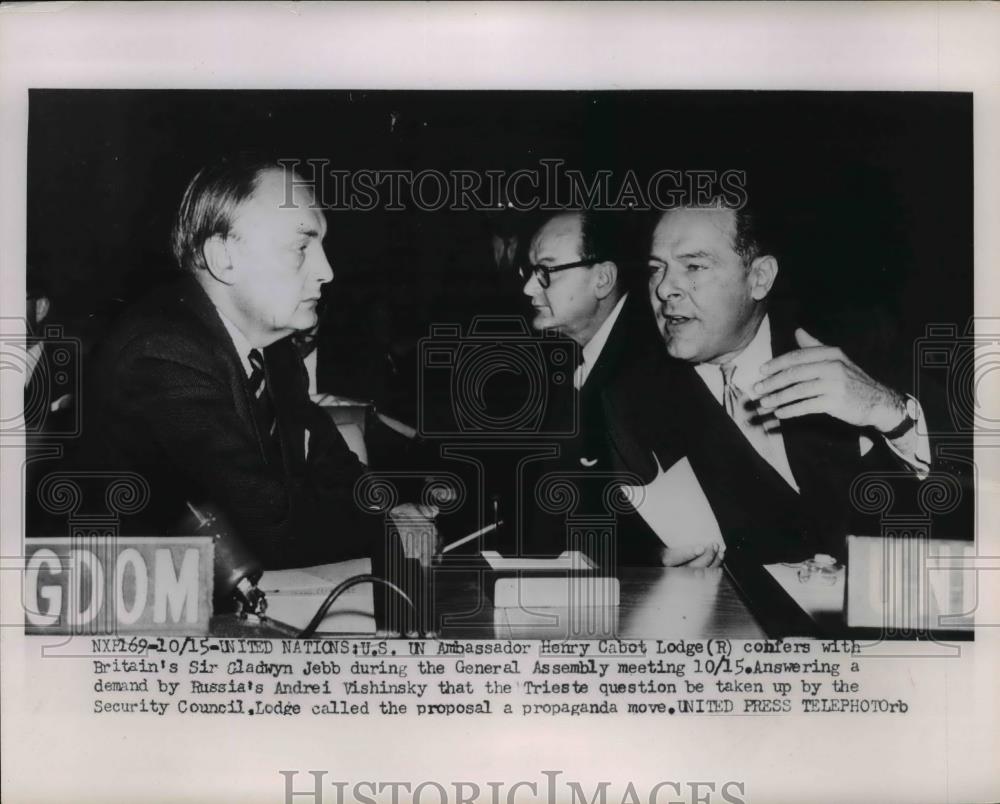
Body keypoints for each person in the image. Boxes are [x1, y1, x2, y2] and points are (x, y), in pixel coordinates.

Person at [76, 154, 438, 569]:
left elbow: (333, 466)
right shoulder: (161, 355)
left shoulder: (273, 350)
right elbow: (267, 529)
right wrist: (389, 527)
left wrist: (391, 511)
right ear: (224, 257)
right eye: (301, 247)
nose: (328, 271)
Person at [605, 200, 931, 565]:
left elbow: (970, 495)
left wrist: (888, 412)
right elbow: (617, 540)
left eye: (693, 266)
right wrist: (656, 561)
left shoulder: (860, 347)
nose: (665, 289)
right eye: (655, 269)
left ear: (759, 278)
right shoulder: (629, 403)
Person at [518, 210, 668, 564]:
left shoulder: (652, 363)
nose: (528, 288)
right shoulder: (581, 357)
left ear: (602, 279)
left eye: (546, 272)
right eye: (529, 271)